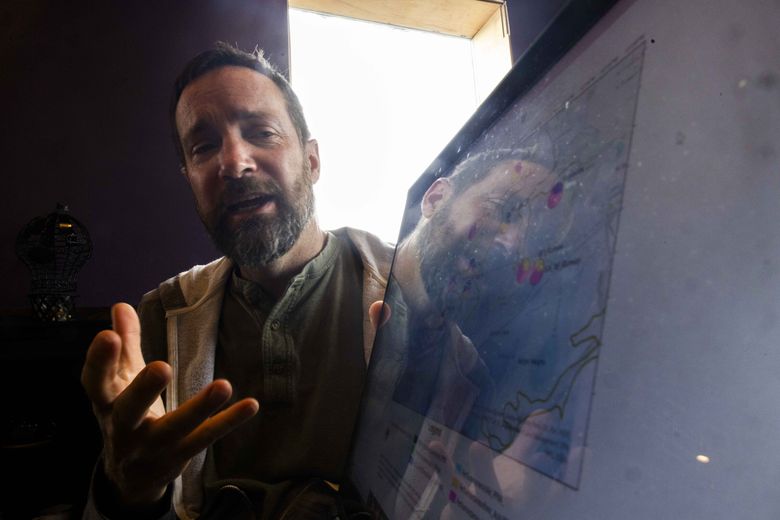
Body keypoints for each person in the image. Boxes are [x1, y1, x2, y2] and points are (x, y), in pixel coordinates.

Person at [81, 43, 393, 519]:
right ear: (190, 178)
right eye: (203, 147)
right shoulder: (159, 319)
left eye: (262, 133)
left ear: (311, 162)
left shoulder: (405, 286)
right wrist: (128, 491)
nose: (233, 163)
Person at [349, 143, 558, 517]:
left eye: (530, 241)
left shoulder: (473, 376)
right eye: (503, 210)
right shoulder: (332, 273)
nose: (511, 245)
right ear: (435, 199)